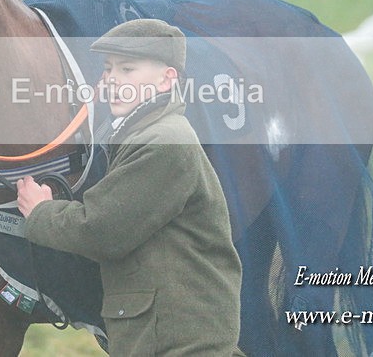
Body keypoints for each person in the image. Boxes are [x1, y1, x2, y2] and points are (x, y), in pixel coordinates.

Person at [17, 19, 243, 356]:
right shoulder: (141, 134)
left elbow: (101, 230)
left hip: (181, 344)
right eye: (108, 69)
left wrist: (41, 212)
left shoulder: (163, 142)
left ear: (167, 79)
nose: (112, 79)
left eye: (127, 69)